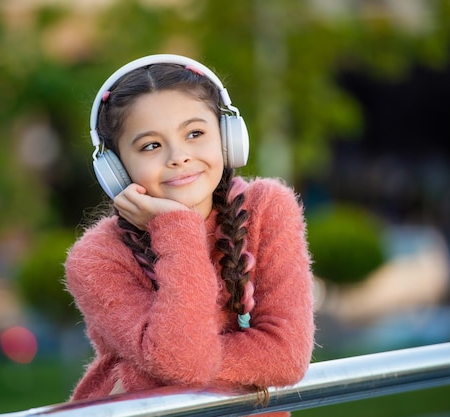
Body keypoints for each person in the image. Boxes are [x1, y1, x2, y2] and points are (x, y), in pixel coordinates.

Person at [64, 54, 314, 415]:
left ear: (228, 138)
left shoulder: (266, 208)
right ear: (115, 169)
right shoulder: (96, 259)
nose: (178, 157)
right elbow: (183, 362)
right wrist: (177, 230)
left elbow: (285, 357)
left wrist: (158, 368)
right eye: (151, 145)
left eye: (195, 134)